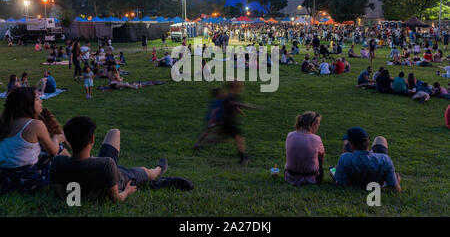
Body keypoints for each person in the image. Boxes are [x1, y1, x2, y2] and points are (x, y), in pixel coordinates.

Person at [49, 116, 194, 202]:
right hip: (120, 178)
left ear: (68, 140)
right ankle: (159, 172)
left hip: (96, 166)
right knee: (146, 172)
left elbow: (60, 195)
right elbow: (115, 198)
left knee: (114, 132)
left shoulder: (57, 162)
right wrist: (127, 192)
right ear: (92, 139)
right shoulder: (106, 164)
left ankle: (156, 178)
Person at [0, 87, 66, 194]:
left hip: (4, 179)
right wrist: (57, 138)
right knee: (59, 150)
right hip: (27, 179)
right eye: (37, 99)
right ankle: (80, 166)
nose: (41, 101)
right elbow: (53, 151)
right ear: (26, 104)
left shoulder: (4, 123)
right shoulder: (35, 124)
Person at [333, 127, 401, 192]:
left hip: (354, 177)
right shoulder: (385, 159)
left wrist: (335, 176)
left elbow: (340, 184)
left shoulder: (345, 158)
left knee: (346, 151)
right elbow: (396, 189)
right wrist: (396, 180)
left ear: (352, 145)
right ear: (368, 142)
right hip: (377, 178)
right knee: (380, 139)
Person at [221, 81, 262, 165]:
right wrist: (248, 106)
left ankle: (243, 157)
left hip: (227, 122)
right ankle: (243, 158)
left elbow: (233, 106)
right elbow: (234, 104)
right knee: (239, 139)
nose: (239, 88)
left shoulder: (230, 95)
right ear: (233, 87)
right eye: (238, 86)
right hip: (229, 122)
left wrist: (239, 111)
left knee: (238, 139)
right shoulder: (230, 96)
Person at [285, 112, 325, 186]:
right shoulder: (316, 138)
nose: (318, 126)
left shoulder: (290, 135)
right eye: (318, 124)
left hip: (291, 175)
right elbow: (322, 157)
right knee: (319, 159)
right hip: (311, 177)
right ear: (313, 124)